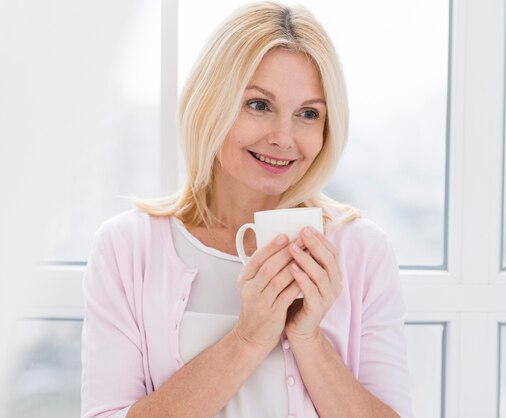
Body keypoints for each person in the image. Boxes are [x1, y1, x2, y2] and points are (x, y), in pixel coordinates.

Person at [80, 2, 413, 417]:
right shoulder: (127, 247)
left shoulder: (362, 251)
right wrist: (248, 338)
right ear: (210, 104)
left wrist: (307, 339)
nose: (283, 137)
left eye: (308, 114)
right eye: (259, 105)